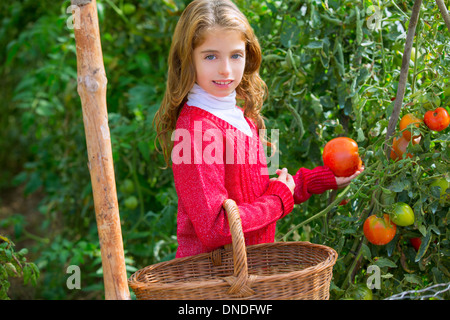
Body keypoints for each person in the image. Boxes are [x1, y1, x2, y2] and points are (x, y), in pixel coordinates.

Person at [153, 0, 363, 258]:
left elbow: (259, 194)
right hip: (212, 283)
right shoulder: (197, 131)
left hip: (247, 276)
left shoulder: (241, 118)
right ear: (187, 58)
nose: (225, 69)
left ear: (248, 55)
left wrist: (317, 181)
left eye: (235, 55)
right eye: (210, 56)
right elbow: (215, 229)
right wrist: (278, 201)